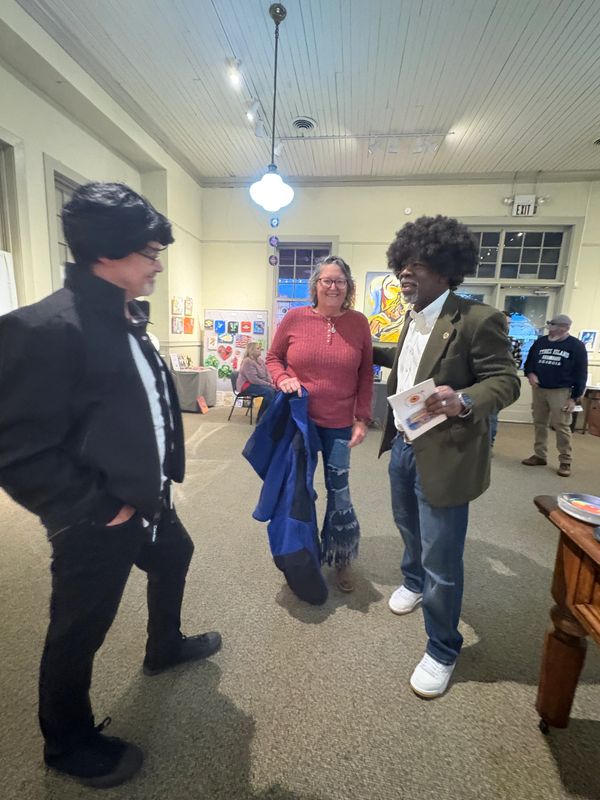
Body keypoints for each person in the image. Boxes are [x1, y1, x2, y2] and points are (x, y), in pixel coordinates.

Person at [0, 183, 221, 788]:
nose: (158, 265)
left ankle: (163, 645)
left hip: (148, 497)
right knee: (79, 628)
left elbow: (142, 409)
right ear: (106, 252)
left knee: (175, 553)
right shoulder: (44, 328)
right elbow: (16, 449)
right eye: (150, 252)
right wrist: (99, 509)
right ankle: (67, 744)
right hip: (99, 514)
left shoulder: (128, 316)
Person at [374, 215, 520, 699]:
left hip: (447, 455)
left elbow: (506, 380)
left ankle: (442, 648)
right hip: (403, 445)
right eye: (402, 263)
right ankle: (412, 581)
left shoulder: (478, 319)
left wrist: (465, 399)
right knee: (408, 528)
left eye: (416, 264)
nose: (405, 272)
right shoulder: (412, 316)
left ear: (445, 267)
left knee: (442, 557)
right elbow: (407, 366)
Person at [266, 256, 373, 593]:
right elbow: (272, 358)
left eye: (340, 281)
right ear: (315, 285)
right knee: (299, 490)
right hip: (300, 423)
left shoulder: (358, 323)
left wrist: (362, 418)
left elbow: (365, 374)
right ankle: (303, 553)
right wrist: (282, 378)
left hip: (339, 425)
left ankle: (341, 556)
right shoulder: (295, 318)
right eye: (327, 280)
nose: (333, 286)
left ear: (348, 286)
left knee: (339, 491)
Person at [521, 314, 588, 477]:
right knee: (539, 422)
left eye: (553, 327)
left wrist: (574, 398)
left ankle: (565, 460)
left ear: (565, 328)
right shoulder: (541, 342)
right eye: (550, 327)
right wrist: (530, 374)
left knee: (561, 425)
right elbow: (529, 362)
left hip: (561, 391)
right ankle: (540, 455)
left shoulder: (576, 346)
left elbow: (581, 373)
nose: (550, 330)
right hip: (539, 389)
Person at [490, 311, 523, 447]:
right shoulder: (484, 339)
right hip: (481, 382)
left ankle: (489, 444)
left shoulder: (514, 341)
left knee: (492, 415)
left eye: (509, 323)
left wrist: (506, 371)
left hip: (500, 383)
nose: (506, 326)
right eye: (504, 323)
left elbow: (518, 360)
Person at [237, 341, 276, 423]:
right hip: (246, 385)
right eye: (258, 348)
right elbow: (254, 380)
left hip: (258, 384)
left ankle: (270, 416)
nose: (260, 350)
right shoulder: (247, 361)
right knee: (269, 391)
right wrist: (269, 385)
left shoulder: (260, 360)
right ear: (252, 350)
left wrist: (271, 382)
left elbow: (267, 373)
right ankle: (261, 419)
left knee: (274, 390)